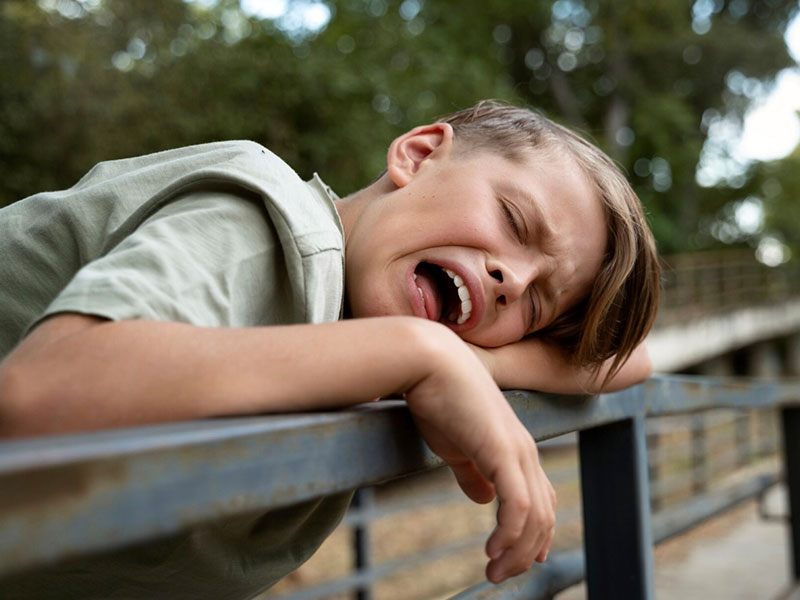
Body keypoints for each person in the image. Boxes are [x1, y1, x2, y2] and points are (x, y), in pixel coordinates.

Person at [0, 101, 659, 598]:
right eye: (515, 222)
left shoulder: (354, 332)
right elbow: (34, 396)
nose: (512, 279)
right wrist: (419, 351)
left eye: (538, 303)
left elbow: (630, 360)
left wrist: (463, 361)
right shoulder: (275, 221)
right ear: (419, 154)